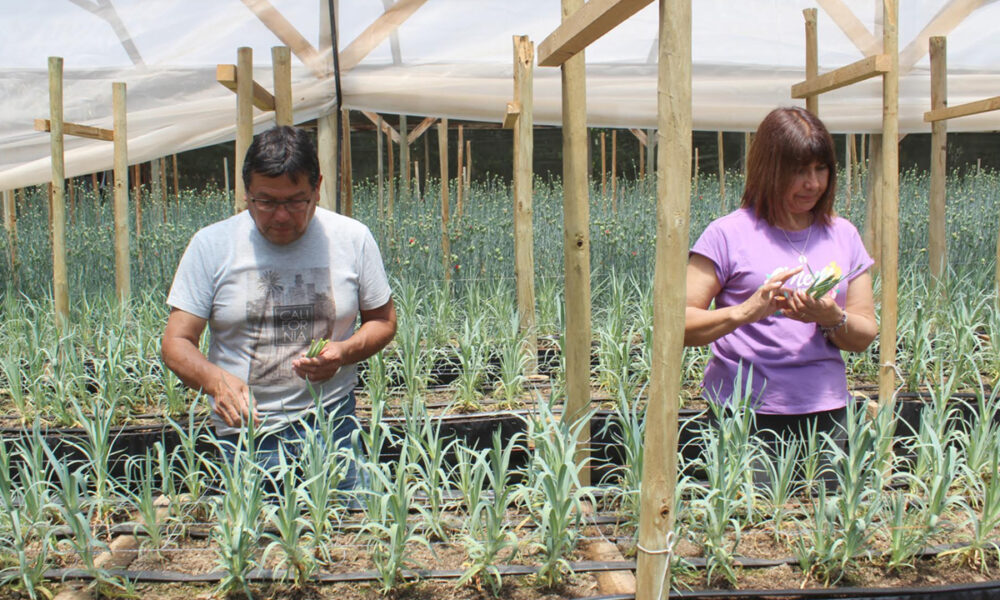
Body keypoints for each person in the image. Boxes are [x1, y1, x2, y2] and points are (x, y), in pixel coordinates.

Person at [161, 125, 396, 489]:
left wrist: (344, 352)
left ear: (317, 188)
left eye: (296, 201)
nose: (282, 216)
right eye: (266, 202)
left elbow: (383, 320)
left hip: (333, 422)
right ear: (246, 193)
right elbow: (176, 342)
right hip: (247, 433)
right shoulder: (212, 245)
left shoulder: (352, 238)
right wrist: (215, 381)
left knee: (356, 522)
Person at [684, 106, 877, 481]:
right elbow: (679, 325)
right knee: (749, 515)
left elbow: (865, 332)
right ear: (769, 169)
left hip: (828, 415)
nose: (813, 183)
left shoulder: (844, 235)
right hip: (743, 418)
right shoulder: (727, 235)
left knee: (830, 513)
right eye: (799, 170)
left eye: (821, 169)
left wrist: (831, 318)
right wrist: (746, 311)